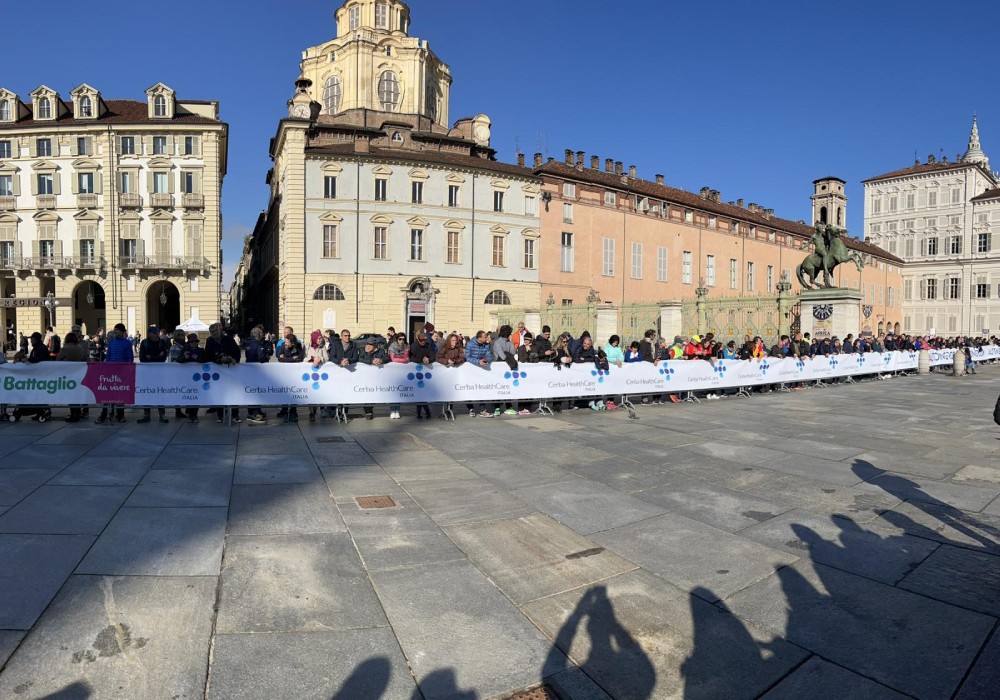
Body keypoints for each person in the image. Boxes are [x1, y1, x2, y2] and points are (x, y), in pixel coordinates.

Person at [95, 324, 133, 425]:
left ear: (122, 331)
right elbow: (108, 357)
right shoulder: (111, 342)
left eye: (117, 330)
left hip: (122, 373)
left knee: (120, 395)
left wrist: (128, 371)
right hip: (111, 373)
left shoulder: (127, 343)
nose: (115, 332)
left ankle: (120, 415)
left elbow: (130, 358)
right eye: (114, 330)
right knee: (108, 395)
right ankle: (104, 415)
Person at [137, 325, 170, 424]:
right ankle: (146, 414)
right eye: (154, 333)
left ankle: (162, 414)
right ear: (149, 334)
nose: (156, 335)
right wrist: (156, 356)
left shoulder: (162, 342)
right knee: (146, 392)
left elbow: (163, 358)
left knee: (160, 392)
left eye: (157, 333)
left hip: (159, 373)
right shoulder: (144, 343)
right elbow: (142, 358)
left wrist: (150, 356)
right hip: (147, 373)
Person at [56, 331, 89, 422]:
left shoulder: (65, 349)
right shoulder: (80, 348)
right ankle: (77, 412)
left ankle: (73, 414)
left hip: (68, 374)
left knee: (70, 395)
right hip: (78, 374)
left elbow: (58, 360)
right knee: (77, 395)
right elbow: (84, 358)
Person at [464, 330, 494, 417]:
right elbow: (467, 357)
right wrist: (477, 361)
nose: (487, 338)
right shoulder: (470, 344)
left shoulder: (486, 344)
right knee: (469, 389)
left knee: (481, 389)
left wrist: (487, 360)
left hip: (480, 370)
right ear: (479, 338)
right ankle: (471, 408)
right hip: (469, 370)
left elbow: (489, 355)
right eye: (485, 337)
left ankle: (482, 410)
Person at [277, 331, 304, 422]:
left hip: (295, 373)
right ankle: (284, 411)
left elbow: (300, 357)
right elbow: (280, 358)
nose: (285, 343)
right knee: (285, 392)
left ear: (292, 342)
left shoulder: (298, 347)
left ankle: (293, 411)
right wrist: (292, 358)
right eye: (285, 341)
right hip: (285, 373)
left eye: (287, 342)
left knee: (294, 392)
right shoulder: (283, 346)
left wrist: (286, 359)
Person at [357, 337, 386, 420]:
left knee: (374, 393)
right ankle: (368, 411)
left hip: (376, 377)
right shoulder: (363, 350)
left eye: (371, 344)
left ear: (375, 345)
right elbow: (359, 359)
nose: (368, 346)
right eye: (367, 344)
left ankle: (369, 409)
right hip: (364, 376)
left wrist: (380, 360)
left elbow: (387, 358)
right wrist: (371, 359)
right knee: (366, 393)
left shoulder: (380, 351)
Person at [305, 330, 329, 421]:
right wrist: (312, 359)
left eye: (320, 338)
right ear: (314, 338)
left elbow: (327, 358)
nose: (320, 340)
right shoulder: (308, 347)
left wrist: (320, 359)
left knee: (316, 394)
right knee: (310, 395)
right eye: (318, 338)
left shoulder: (322, 348)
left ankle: (314, 412)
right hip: (310, 374)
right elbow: (304, 358)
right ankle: (311, 413)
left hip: (319, 374)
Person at [410, 331, 435, 419]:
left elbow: (433, 356)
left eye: (424, 340)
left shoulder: (428, 345)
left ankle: (422, 412)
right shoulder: (413, 346)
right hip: (416, 371)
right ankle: (423, 412)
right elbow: (411, 357)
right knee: (419, 393)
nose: (423, 342)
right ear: (418, 340)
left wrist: (428, 359)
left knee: (422, 393)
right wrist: (421, 359)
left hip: (425, 372)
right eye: (421, 340)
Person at [387, 332, 410, 419]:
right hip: (393, 371)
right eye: (400, 339)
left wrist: (403, 359)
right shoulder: (392, 346)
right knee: (393, 391)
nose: (402, 341)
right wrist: (403, 360)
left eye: (403, 339)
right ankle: (392, 410)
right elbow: (393, 359)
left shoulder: (406, 346)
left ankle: (397, 410)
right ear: (397, 339)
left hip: (402, 371)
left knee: (399, 391)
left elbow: (406, 357)